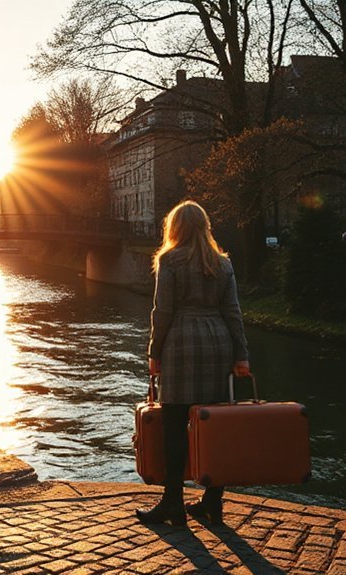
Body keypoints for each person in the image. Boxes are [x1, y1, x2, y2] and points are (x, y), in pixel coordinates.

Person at [137, 200, 250, 527]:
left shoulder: (169, 260)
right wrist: (241, 354)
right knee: (216, 426)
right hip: (218, 343)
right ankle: (212, 502)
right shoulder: (222, 263)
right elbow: (233, 312)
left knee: (174, 426)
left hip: (181, 344)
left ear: (174, 228)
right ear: (205, 227)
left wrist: (154, 352)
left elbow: (163, 311)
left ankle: (173, 502)